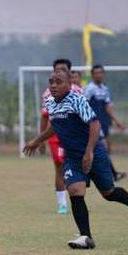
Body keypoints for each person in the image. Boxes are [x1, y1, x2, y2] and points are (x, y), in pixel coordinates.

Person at [24, 70, 128, 249]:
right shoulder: (50, 102)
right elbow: (55, 126)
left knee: (109, 193)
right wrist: (37, 140)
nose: (53, 85)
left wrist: (89, 151)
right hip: (72, 156)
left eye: (58, 82)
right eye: (51, 82)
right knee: (75, 190)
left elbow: (94, 123)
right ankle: (86, 237)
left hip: (93, 152)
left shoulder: (77, 99)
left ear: (69, 84)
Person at [39, 58, 82, 215]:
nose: (59, 72)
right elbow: (44, 117)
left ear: (68, 72)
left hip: (75, 137)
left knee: (77, 167)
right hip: (56, 137)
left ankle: (77, 197)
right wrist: (41, 140)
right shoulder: (48, 93)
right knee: (60, 168)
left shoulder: (78, 91)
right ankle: (62, 204)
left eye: (63, 70)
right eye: (57, 70)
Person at [84, 65, 126, 180]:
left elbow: (108, 107)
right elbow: (83, 105)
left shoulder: (105, 89)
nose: (99, 75)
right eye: (96, 73)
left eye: (101, 73)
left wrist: (117, 121)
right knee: (103, 148)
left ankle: (105, 172)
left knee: (107, 148)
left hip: (104, 122)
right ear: (92, 75)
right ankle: (112, 174)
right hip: (94, 123)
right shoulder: (89, 89)